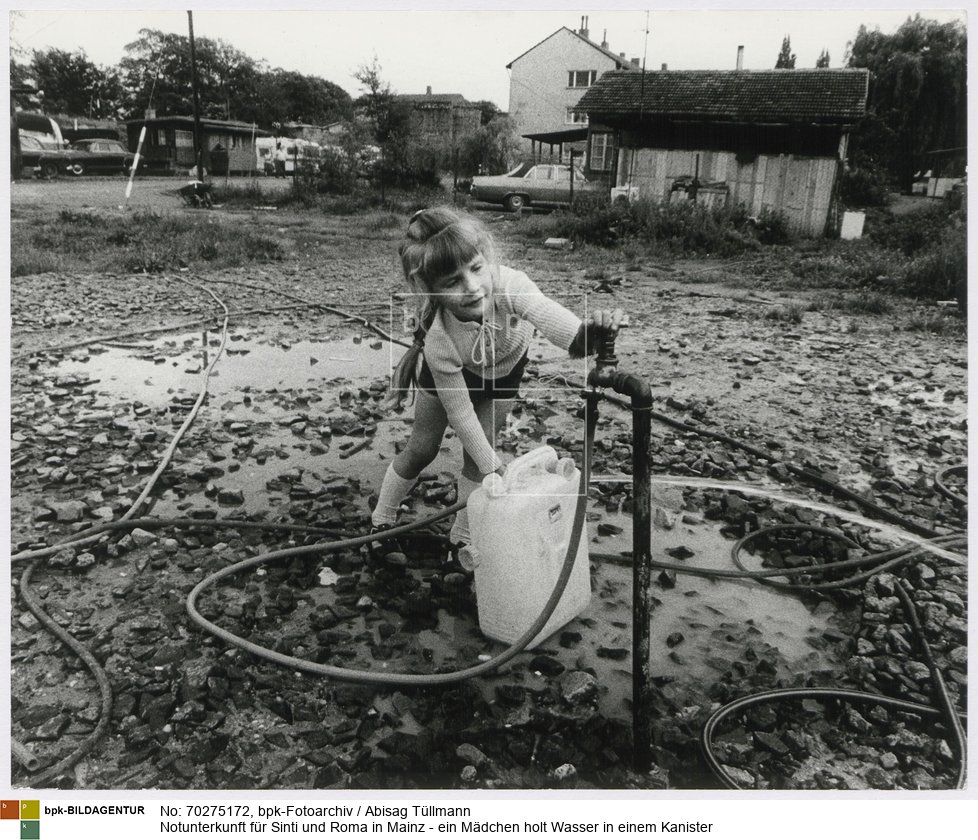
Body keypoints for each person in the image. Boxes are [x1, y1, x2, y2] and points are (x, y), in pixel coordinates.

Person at [368, 206, 622, 563]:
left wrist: (594, 334)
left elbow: (570, 335)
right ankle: (381, 521)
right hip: (450, 379)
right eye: (452, 282)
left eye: (475, 269)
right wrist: (498, 469)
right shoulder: (440, 338)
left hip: (504, 373)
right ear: (430, 290)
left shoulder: (510, 285)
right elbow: (461, 416)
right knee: (422, 449)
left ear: (486, 259)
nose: (472, 288)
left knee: (478, 454)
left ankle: (461, 540)